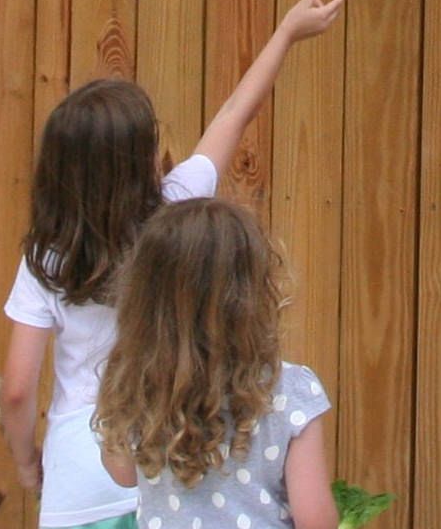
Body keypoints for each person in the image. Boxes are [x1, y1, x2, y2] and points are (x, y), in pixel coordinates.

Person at [0, 0, 347, 529]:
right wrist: (285, 34)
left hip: (85, 466)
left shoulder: (47, 255)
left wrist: (26, 463)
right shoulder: (177, 204)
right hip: (167, 451)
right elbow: (236, 111)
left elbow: (18, 388)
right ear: (139, 159)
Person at [94, 198, 335, 529]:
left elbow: (122, 474)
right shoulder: (290, 390)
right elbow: (316, 522)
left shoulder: (136, 383)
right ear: (252, 291)